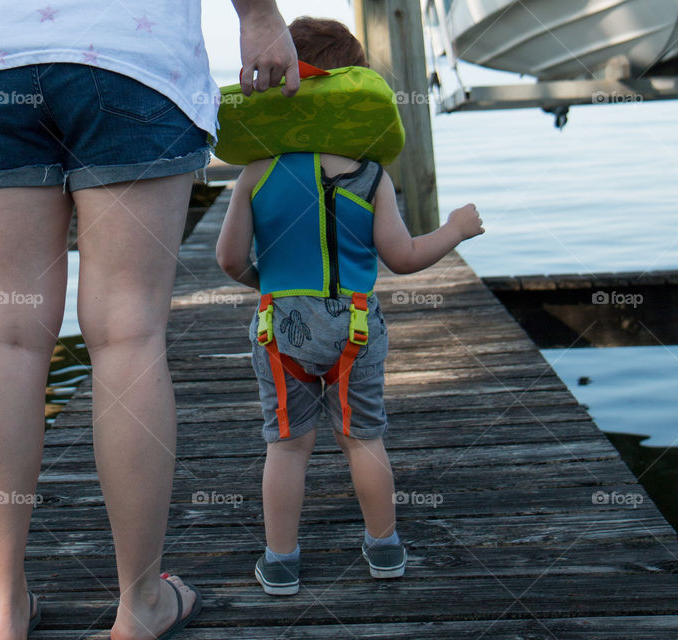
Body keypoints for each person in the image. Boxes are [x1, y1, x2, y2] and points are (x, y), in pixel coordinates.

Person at [0, 2, 300, 639]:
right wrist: (257, 15)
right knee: (127, 333)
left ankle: (2, 607)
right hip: (129, 62)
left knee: (6, 335)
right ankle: (141, 604)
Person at [215, 17, 485, 596]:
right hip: (356, 328)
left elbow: (229, 258)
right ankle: (384, 549)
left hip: (279, 327)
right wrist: (455, 231)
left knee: (287, 445)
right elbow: (405, 257)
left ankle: (281, 562)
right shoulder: (371, 175)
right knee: (363, 439)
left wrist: (267, 282)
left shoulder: (255, 173)